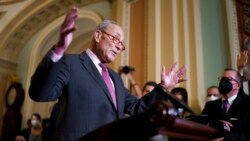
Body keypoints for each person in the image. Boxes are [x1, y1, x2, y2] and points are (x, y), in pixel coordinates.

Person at [28, 6, 186, 141]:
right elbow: (40, 94)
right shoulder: (70, 63)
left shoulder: (115, 78)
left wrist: (163, 86)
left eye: (122, 44)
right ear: (98, 35)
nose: (119, 47)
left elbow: (137, 107)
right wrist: (59, 50)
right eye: (115, 39)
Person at [201, 68, 250, 141]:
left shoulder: (247, 104)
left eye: (228, 79)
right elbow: (202, 126)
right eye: (222, 79)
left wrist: (225, 139)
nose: (223, 82)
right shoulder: (210, 105)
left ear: (238, 86)